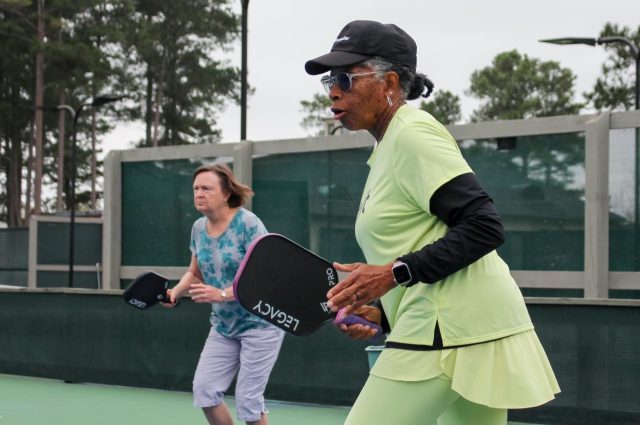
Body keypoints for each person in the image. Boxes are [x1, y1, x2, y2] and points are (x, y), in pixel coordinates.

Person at [305, 20, 560, 425]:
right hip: (469, 326)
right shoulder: (389, 147)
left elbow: (483, 226)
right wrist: (383, 312)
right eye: (329, 80)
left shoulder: (414, 134)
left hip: (450, 329)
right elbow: (423, 242)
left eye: (346, 78)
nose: (334, 90)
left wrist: (391, 273)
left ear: (389, 83)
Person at [163, 163, 284, 425]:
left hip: (261, 325)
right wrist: (175, 292)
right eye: (196, 188)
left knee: (249, 401)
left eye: (207, 188)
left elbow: (266, 276)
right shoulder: (198, 228)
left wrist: (222, 294)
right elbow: (195, 272)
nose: (199, 193)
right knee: (205, 392)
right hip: (223, 327)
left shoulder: (248, 224)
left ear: (226, 193)